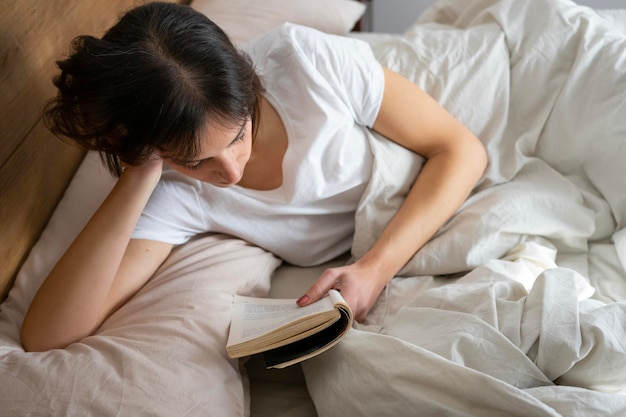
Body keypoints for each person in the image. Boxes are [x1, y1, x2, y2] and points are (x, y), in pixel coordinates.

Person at [21, 0, 487, 360]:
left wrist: (374, 269)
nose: (230, 172)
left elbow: (460, 149)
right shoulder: (176, 193)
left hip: (424, 174)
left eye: (239, 134)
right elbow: (48, 334)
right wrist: (139, 169)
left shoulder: (307, 63)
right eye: (196, 160)